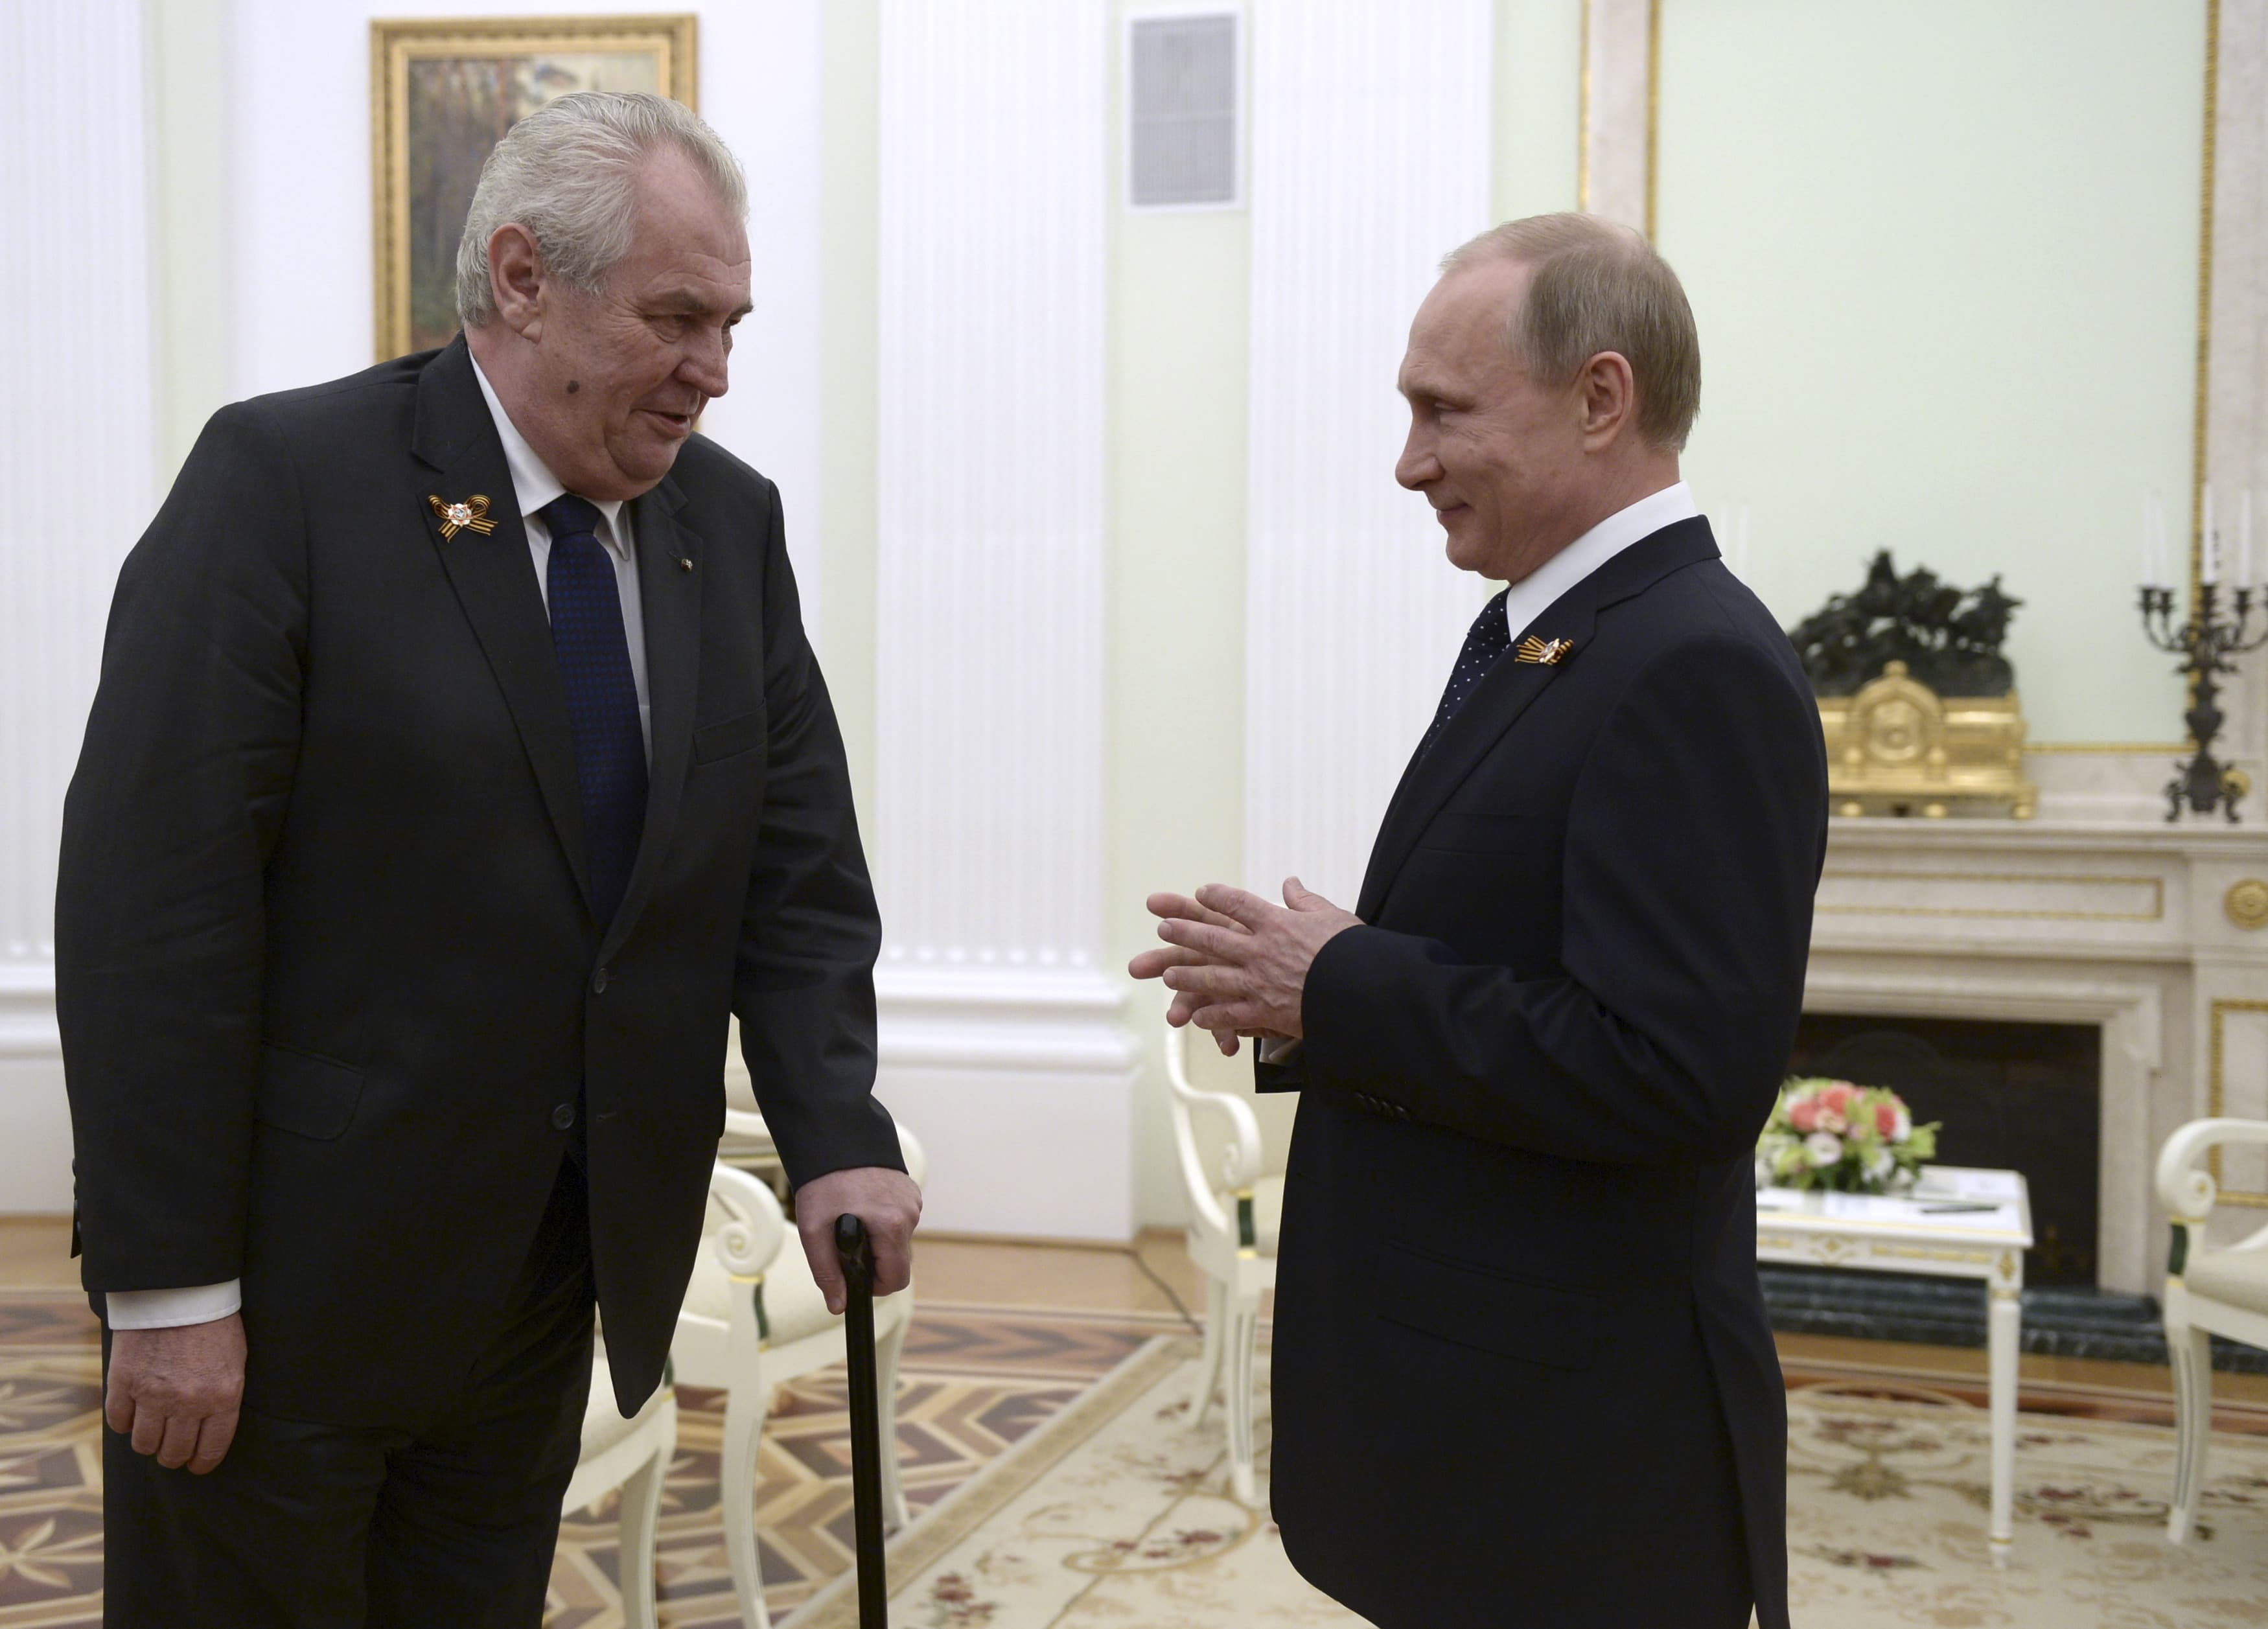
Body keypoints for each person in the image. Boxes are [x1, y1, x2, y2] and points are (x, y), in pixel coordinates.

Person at [56, 91, 920, 1628]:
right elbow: (156, 910)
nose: (713, 374)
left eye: (731, 325)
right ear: (523, 279)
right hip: (280, 1303)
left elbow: (793, 870)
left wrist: (836, 1126)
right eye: (675, 318)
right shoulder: (287, 487)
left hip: (548, 1285)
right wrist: (170, 1289)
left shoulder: (726, 523)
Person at [1130, 213, 1826, 1628]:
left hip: (1576, 1463)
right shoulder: (1548, 633)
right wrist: (1303, 991)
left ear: (1600, 399)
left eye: (1442, 412)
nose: (1408, 461)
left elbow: (1675, 1071)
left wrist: (1343, 985)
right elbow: (1525, 975)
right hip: (1492, 1430)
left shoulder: (1692, 661)